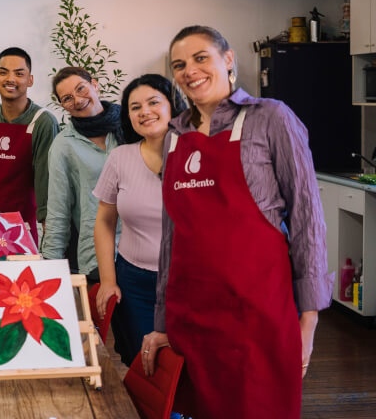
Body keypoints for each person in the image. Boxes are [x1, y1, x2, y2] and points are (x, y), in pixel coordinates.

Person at [141, 25, 332, 419]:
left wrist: (308, 321)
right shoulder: (176, 135)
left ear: (228, 59)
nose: (189, 71)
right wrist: (162, 322)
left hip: (257, 315)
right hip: (191, 314)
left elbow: (307, 218)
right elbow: (171, 238)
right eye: (179, 65)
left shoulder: (271, 118)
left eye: (200, 58)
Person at [92, 74, 185, 366]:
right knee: (141, 366)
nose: (144, 111)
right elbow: (105, 222)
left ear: (173, 107)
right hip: (134, 284)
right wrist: (108, 280)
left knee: (185, 366)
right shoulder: (121, 158)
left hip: (187, 284)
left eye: (153, 102)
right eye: (135, 107)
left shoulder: (197, 155)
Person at [0, 47, 59, 247]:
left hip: (21, 224)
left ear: (30, 79)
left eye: (19, 73)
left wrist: (50, 231)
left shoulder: (43, 122)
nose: (10, 79)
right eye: (3, 72)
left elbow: (47, 180)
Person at [41, 67, 124, 284]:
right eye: (68, 98)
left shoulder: (131, 125)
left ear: (94, 84)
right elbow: (58, 212)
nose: (77, 100)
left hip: (144, 249)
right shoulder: (64, 145)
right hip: (97, 256)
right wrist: (49, 269)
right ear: (62, 105)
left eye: (81, 89)